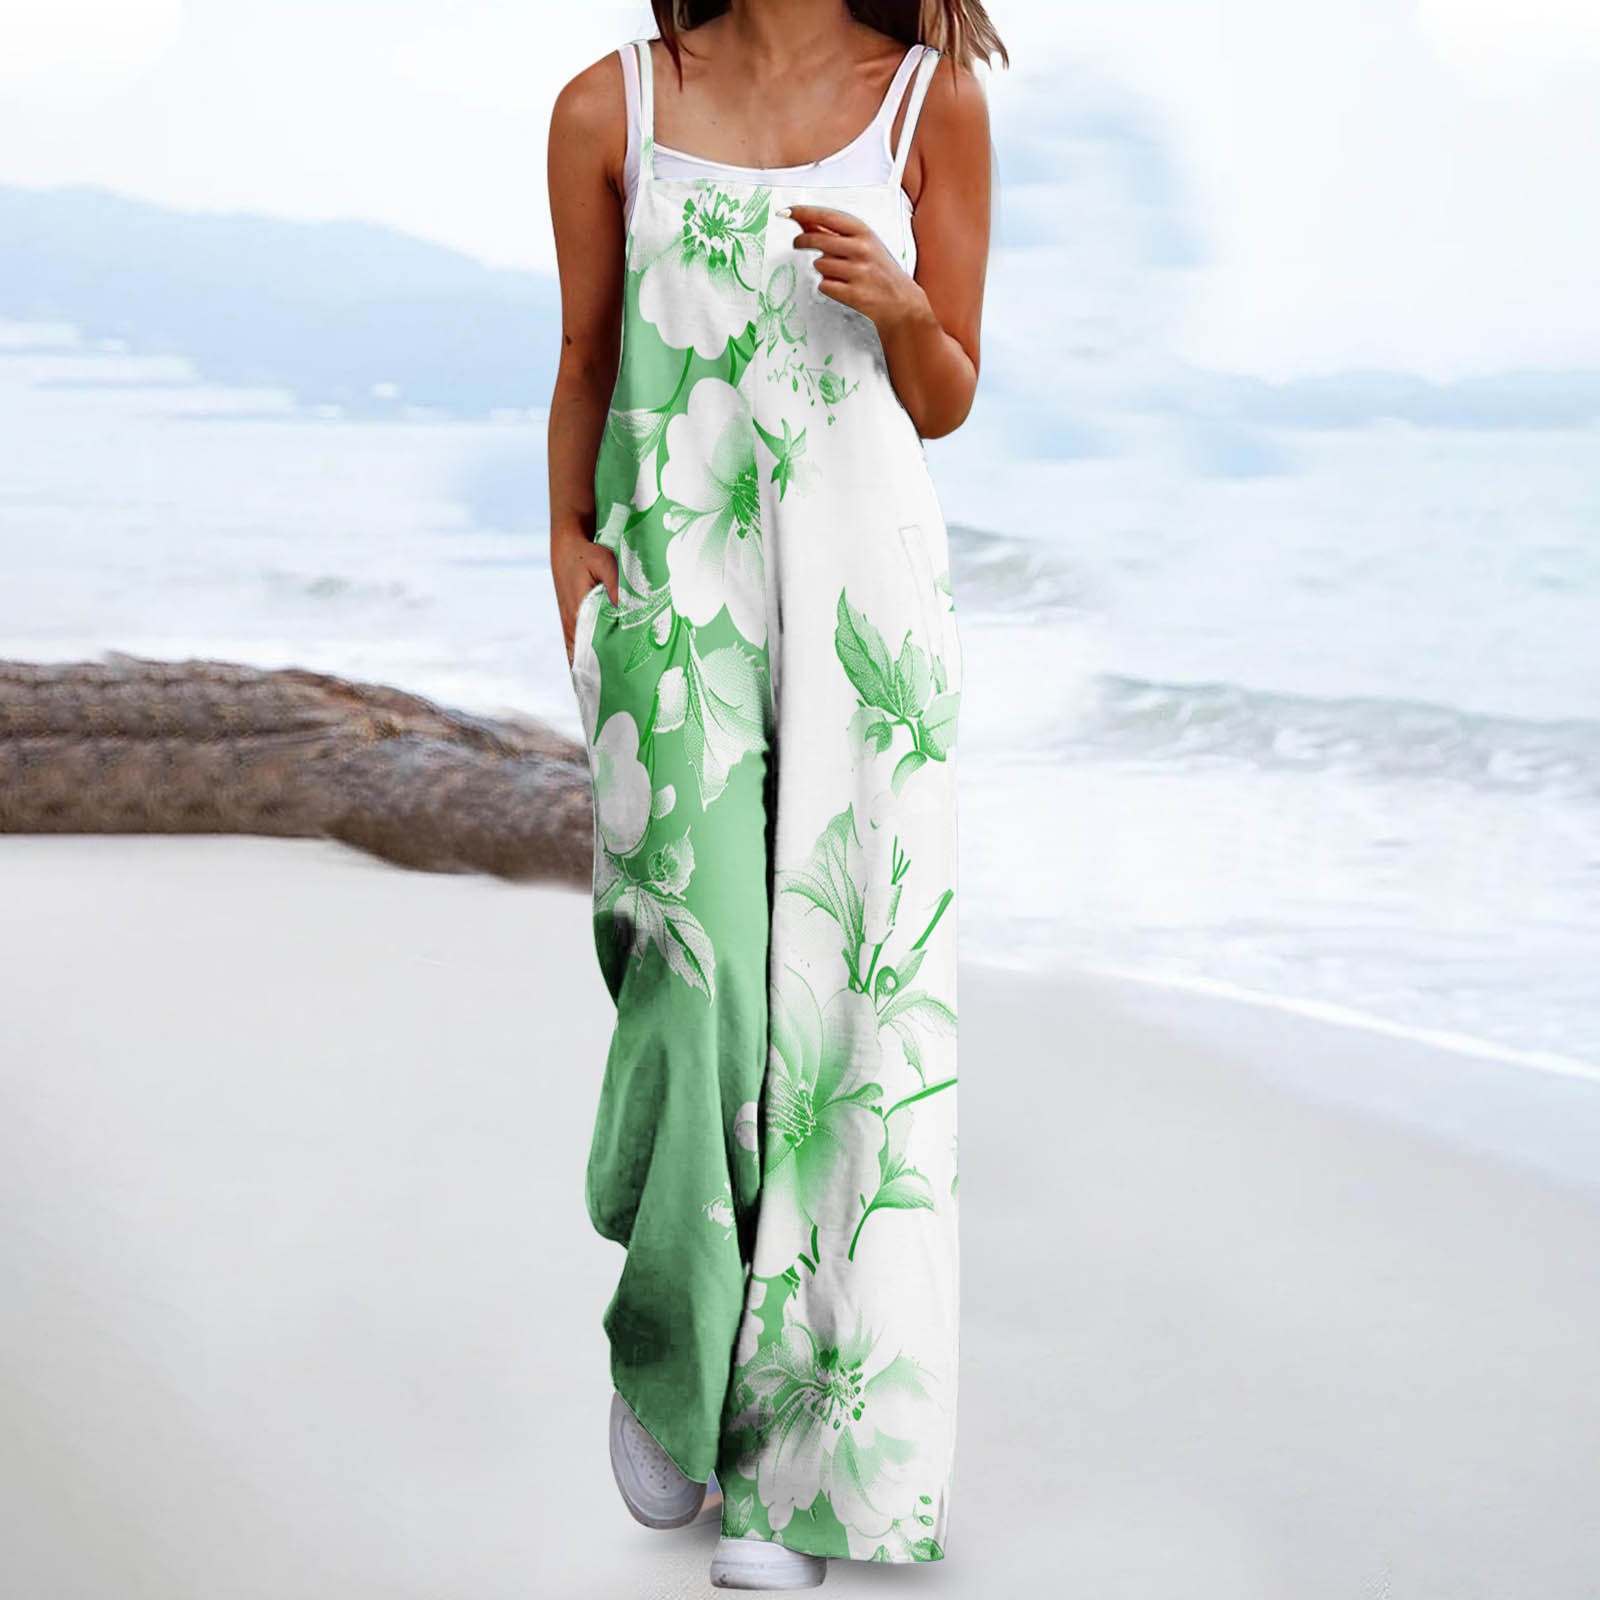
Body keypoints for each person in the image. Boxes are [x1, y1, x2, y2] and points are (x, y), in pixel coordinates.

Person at [546, 0, 1001, 1587]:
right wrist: (566, 557)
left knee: (841, 1023)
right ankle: (674, 1338)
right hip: (677, 591)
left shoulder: (929, 104)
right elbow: (588, 355)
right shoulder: (610, 106)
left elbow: (945, 396)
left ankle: (792, 1477)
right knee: (700, 974)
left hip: (868, 601)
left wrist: (905, 309)